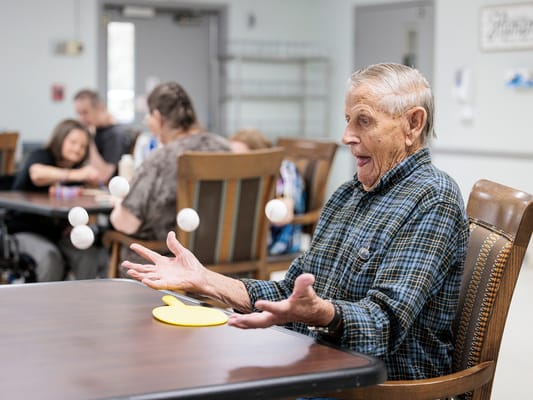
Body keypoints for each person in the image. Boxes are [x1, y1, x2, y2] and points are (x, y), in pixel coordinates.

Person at [123, 63, 469, 381]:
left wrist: (321, 314)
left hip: (374, 385)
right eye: (347, 119)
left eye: (362, 120)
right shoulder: (348, 195)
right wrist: (205, 280)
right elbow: (290, 294)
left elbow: (383, 327)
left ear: (413, 124)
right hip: (320, 364)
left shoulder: (432, 198)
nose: (346, 135)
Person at [109, 81, 231, 273]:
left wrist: (117, 203)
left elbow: (127, 223)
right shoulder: (226, 149)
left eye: (148, 115)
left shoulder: (161, 158)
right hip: (226, 267)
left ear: (158, 118)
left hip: (170, 266)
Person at [9, 119, 107, 281]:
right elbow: (37, 174)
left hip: (58, 233)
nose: (78, 149)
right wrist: (77, 174)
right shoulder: (41, 156)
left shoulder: (78, 171)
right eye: (73, 142)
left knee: (88, 254)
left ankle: (85, 301)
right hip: (25, 230)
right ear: (61, 139)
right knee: (50, 257)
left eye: (83, 146)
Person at [229, 128, 306, 255]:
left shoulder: (284, 169)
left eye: (241, 158)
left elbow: (284, 215)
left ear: (260, 156)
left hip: (277, 242)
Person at [73, 89, 133, 183]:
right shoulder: (96, 129)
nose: (81, 119)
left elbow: (103, 176)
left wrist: (89, 139)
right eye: (78, 114)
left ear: (100, 107)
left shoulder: (116, 135)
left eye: (85, 112)